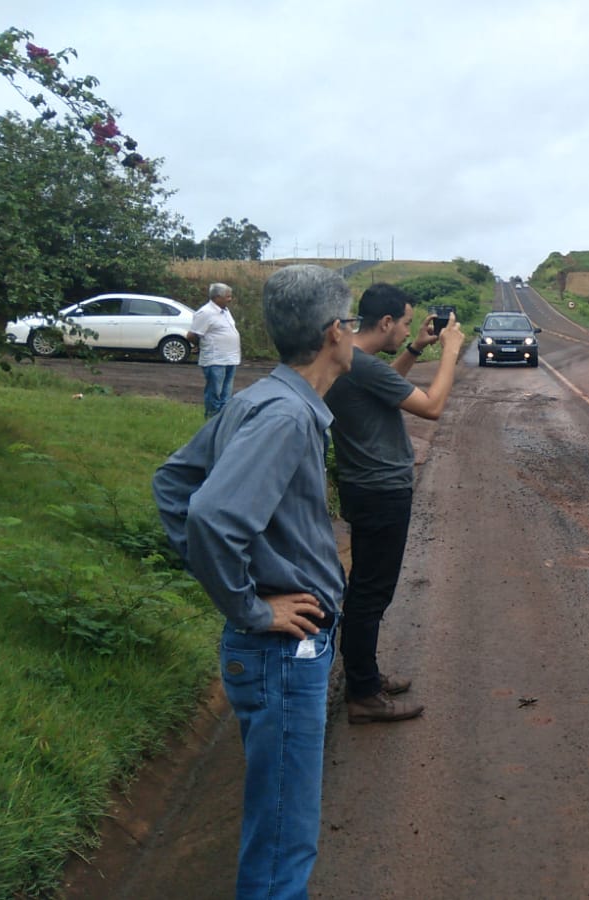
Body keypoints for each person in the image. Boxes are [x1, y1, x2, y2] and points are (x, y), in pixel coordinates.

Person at [152, 265, 356, 899]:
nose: (351, 335)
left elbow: (173, 484)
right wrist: (252, 607)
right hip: (279, 655)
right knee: (280, 838)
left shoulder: (262, 398)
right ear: (332, 334)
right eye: (349, 324)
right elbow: (212, 514)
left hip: (272, 655)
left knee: (278, 824)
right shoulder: (285, 417)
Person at [324, 283, 464, 724]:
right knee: (370, 592)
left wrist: (417, 349)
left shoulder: (353, 361)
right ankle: (363, 694)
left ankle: (365, 676)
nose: (407, 329)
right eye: (405, 323)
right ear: (385, 322)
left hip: (364, 487)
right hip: (380, 491)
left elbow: (389, 386)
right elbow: (432, 406)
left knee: (366, 587)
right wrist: (449, 353)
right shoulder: (361, 365)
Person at [188, 282, 243, 418]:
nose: (230, 299)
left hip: (230, 358)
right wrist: (200, 345)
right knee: (215, 392)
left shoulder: (225, 311)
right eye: (227, 296)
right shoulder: (205, 313)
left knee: (226, 393)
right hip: (215, 359)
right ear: (217, 297)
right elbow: (192, 335)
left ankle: (223, 420)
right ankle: (212, 419)